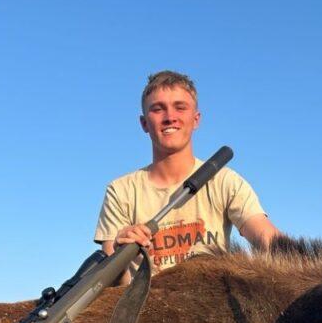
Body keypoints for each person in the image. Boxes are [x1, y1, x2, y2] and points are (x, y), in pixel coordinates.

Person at [94, 71, 280, 285]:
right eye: (158, 109)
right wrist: (120, 253)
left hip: (210, 309)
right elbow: (109, 287)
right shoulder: (120, 190)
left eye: (180, 107)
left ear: (196, 119)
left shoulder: (225, 181)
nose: (170, 117)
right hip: (144, 313)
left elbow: (266, 238)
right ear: (144, 123)